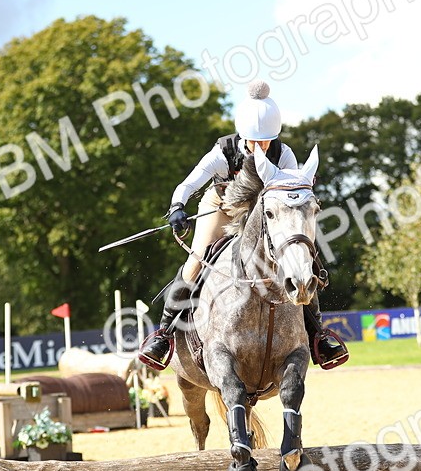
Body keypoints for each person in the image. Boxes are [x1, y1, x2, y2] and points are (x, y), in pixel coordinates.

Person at [138, 80, 349, 371]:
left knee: (301, 261)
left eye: (266, 142)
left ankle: (318, 336)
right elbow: (188, 184)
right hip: (221, 207)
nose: (260, 147)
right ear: (243, 136)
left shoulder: (283, 153)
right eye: (254, 142)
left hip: (264, 213)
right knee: (195, 262)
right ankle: (164, 335)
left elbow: (294, 192)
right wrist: (177, 206)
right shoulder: (223, 152)